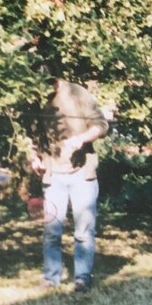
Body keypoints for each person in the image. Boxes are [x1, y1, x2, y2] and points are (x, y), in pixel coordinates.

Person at [28, 77, 109, 293]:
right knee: (51, 230)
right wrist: (34, 158)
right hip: (53, 175)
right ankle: (51, 277)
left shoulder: (76, 92)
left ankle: (82, 278)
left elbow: (101, 125)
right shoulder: (36, 96)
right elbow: (34, 137)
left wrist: (82, 139)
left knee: (84, 230)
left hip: (82, 174)